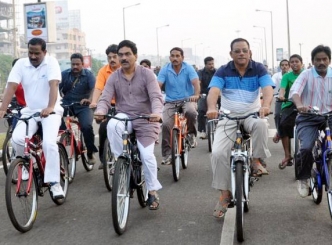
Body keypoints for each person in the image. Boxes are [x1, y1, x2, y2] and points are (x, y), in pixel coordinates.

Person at [206, 38, 274, 218]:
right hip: (228, 117)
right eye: (237, 51)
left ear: (250, 52)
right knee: (218, 153)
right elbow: (214, 91)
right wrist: (212, 108)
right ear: (231, 54)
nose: (241, 53)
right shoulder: (223, 70)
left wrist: (265, 105)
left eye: (244, 50)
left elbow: (267, 88)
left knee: (261, 124)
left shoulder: (259, 68)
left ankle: (257, 160)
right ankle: (224, 194)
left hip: (252, 115)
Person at [94, 40, 163, 210]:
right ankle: (122, 163)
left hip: (146, 118)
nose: (124, 58)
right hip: (125, 116)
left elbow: (156, 96)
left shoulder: (147, 74)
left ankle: (152, 191)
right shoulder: (114, 77)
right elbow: (105, 96)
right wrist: (100, 111)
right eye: (121, 55)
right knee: (112, 125)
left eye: (127, 54)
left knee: (147, 156)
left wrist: (156, 113)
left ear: (135, 56)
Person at [0, 37, 65, 199]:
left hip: (51, 111)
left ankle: (54, 183)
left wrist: (50, 107)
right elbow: (11, 86)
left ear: (44, 52)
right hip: (30, 111)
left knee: (49, 144)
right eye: (30, 52)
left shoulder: (51, 63)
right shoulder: (21, 64)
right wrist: (2, 109)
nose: (33, 56)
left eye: (37, 53)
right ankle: (24, 166)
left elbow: (54, 85)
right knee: (17, 139)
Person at [290, 45, 332, 197]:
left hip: (330, 115)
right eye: (318, 59)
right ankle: (303, 178)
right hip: (309, 117)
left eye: (324, 59)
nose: (321, 62)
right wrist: (300, 105)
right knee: (306, 148)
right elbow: (295, 91)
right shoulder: (306, 75)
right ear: (313, 61)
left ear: (329, 60)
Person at [157, 47, 200, 165]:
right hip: (170, 101)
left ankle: (191, 134)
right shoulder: (165, 69)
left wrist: (196, 95)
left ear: (182, 57)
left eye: (177, 56)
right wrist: (155, 97)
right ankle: (166, 155)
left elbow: (195, 82)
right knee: (166, 124)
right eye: (172, 56)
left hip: (187, 99)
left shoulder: (188, 68)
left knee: (191, 112)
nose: (175, 58)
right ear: (170, 57)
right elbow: (158, 85)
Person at [60, 53, 98, 164]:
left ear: (82, 64)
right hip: (67, 104)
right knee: (54, 116)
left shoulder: (89, 75)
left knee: (86, 126)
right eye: (73, 64)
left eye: (77, 64)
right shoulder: (64, 74)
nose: (75, 67)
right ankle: (67, 136)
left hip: (83, 106)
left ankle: (90, 152)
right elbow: (56, 88)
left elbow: (94, 89)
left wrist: (90, 99)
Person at [90, 44, 120, 169]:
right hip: (108, 104)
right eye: (109, 57)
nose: (112, 60)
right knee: (103, 127)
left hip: (124, 105)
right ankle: (103, 158)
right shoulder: (103, 71)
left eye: (114, 57)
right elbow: (98, 87)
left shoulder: (124, 69)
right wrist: (94, 102)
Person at [278, 55, 303, 168]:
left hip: (305, 105)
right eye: (292, 62)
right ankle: (287, 156)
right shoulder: (287, 76)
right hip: (289, 104)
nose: (294, 64)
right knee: (283, 125)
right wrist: (281, 96)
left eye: (296, 61)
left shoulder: (306, 74)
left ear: (301, 63)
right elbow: (282, 89)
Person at [197, 56, 216, 139]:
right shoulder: (200, 72)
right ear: (205, 65)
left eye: (212, 63)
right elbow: (198, 82)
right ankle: (202, 131)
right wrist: (198, 93)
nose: (211, 65)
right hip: (204, 94)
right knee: (201, 110)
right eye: (209, 64)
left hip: (215, 94)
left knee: (224, 111)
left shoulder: (217, 72)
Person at [272, 59, 290, 143]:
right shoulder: (276, 76)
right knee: (277, 115)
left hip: (291, 100)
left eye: (286, 65)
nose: (284, 66)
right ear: (280, 67)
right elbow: (271, 84)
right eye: (282, 65)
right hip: (280, 99)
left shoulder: (291, 75)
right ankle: (279, 132)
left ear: (289, 66)